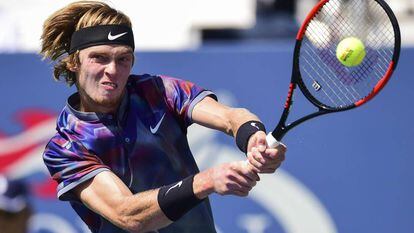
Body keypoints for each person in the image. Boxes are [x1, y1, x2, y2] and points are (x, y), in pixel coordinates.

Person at [41, 1, 286, 233]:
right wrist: (206, 181)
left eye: (123, 59)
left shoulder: (158, 91)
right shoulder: (65, 148)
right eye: (100, 58)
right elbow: (127, 214)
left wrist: (254, 137)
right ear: (74, 62)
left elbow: (232, 117)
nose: (112, 71)